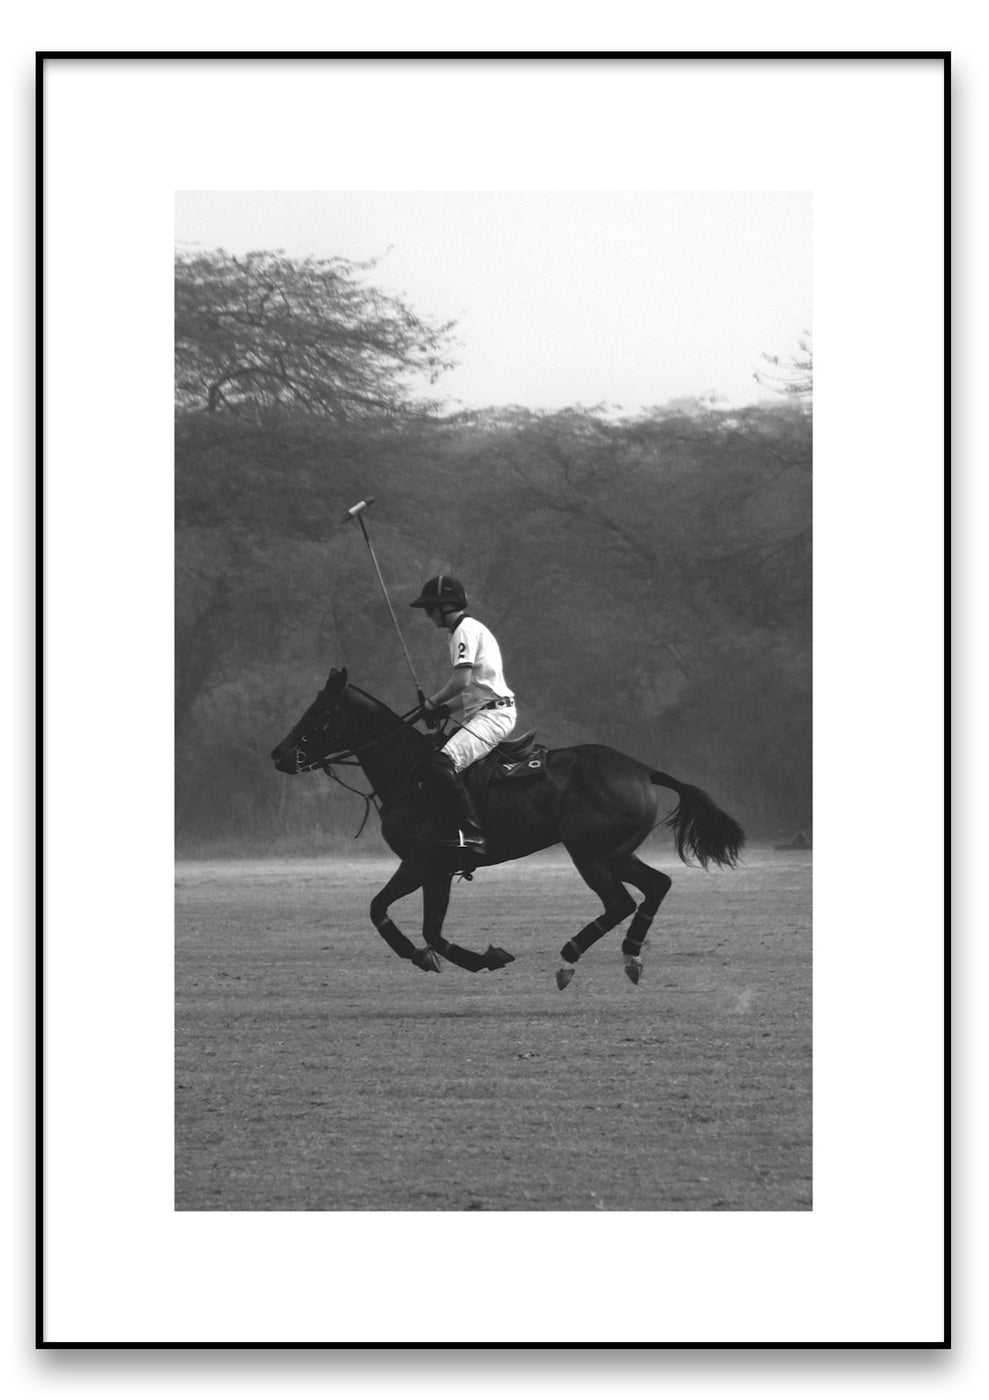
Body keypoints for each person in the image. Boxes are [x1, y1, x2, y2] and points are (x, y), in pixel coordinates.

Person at [410, 575, 517, 856]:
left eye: (430, 607)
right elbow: (471, 690)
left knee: (441, 763)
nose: (427, 614)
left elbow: (461, 681)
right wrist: (445, 709)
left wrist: (432, 703)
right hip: (484, 710)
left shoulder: (463, 631)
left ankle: (471, 832)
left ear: (446, 605)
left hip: (493, 716)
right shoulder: (468, 630)